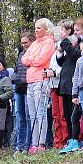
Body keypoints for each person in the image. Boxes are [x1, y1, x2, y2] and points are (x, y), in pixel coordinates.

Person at [22, 18, 56, 153]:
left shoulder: (49, 42)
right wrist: (32, 60)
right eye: (35, 28)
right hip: (30, 80)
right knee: (32, 114)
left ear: (46, 29)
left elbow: (42, 60)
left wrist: (31, 60)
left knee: (40, 112)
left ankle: (41, 143)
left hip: (41, 79)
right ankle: (33, 143)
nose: (36, 30)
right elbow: (24, 59)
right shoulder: (34, 43)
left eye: (39, 28)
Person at [58, 19, 83, 154]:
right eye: (75, 30)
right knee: (66, 114)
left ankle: (76, 138)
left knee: (75, 114)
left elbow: (75, 55)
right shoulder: (72, 43)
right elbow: (62, 62)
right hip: (65, 83)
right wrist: (60, 51)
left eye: (78, 30)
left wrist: (65, 41)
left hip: (75, 84)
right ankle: (71, 139)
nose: (75, 33)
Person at [47, 25, 69, 149]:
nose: (55, 35)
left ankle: (65, 140)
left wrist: (55, 73)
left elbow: (66, 67)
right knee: (56, 115)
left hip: (62, 85)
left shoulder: (66, 48)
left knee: (63, 115)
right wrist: (49, 72)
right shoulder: (54, 51)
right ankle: (58, 142)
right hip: (53, 85)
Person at [12, 32, 35, 153]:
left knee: (28, 118)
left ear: (32, 41)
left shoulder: (35, 53)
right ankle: (19, 146)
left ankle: (28, 144)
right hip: (19, 88)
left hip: (29, 87)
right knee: (20, 118)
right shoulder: (21, 54)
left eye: (26, 42)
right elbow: (16, 69)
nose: (24, 45)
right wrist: (15, 79)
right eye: (22, 43)